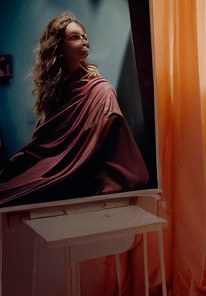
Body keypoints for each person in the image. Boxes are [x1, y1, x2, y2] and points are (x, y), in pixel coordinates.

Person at [0, 13, 149, 206]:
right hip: (52, 170)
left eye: (84, 35)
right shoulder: (55, 91)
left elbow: (106, 144)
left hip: (86, 175)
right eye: (75, 37)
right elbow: (47, 142)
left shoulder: (101, 90)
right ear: (59, 47)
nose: (84, 39)